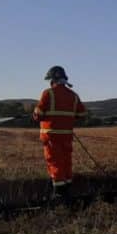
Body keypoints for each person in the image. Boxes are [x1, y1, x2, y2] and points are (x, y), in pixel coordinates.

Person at [33, 65, 88, 199]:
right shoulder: (73, 96)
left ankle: (59, 195)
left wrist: (35, 114)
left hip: (51, 137)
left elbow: (38, 114)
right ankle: (68, 189)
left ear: (53, 80)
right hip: (67, 136)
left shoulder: (48, 93)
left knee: (55, 162)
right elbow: (83, 114)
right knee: (66, 162)